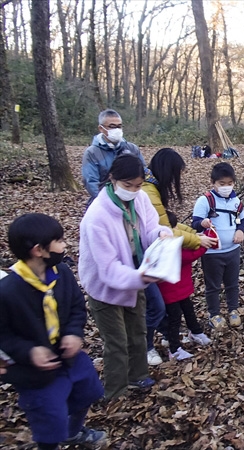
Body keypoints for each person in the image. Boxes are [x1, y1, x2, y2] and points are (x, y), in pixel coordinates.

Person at [0, 214, 106, 450]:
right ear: (39, 250)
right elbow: (3, 335)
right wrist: (29, 352)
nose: (64, 245)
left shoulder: (62, 274)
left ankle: (73, 432)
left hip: (70, 359)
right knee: (49, 419)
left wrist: (73, 333)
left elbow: (77, 306)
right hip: (36, 373)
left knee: (88, 392)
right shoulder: (8, 291)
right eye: (59, 241)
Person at [79, 154, 172, 399]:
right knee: (116, 342)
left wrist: (162, 234)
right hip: (105, 286)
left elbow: (151, 228)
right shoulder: (97, 216)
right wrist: (141, 277)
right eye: (127, 185)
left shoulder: (140, 199)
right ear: (113, 179)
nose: (133, 191)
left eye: (138, 185)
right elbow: (108, 269)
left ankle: (138, 376)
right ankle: (115, 391)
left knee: (137, 331)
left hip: (135, 273)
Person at [141, 148, 217, 366]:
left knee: (180, 308)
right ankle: (166, 346)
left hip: (177, 284)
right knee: (161, 311)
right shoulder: (149, 191)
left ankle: (184, 335)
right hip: (159, 270)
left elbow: (170, 224)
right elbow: (165, 229)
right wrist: (199, 241)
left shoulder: (152, 188)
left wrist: (195, 234)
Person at [192, 163, 244, 330]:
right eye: (222, 184)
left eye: (229, 183)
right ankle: (214, 313)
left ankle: (233, 310)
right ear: (213, 183)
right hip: (212, 253)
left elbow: (241, 221)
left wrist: (240, 231)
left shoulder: (236, 202)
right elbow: (195, 224)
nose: (226, 187)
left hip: (232, 250)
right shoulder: (205, 200)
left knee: (232, 283)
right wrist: (203, 223)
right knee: (213, 285)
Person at [159, 212, 212, 361]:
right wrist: (206, 242)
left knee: (188, 310)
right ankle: (174, 348)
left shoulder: (175, 239)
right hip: (170, 291)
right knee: (174, 318)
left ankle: (195, 331)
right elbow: (188, 256)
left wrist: (202, 234)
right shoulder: (168, 245)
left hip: (180, 288)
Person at [82, 109, 145, 201]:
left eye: (119, 126)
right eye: (112, 126)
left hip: (133, 199)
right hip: (104, 202)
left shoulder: (132, 149)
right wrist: (110, 201)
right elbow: (91, 182)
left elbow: (143, 173)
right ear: (101, 128)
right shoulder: (92, 153)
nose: (116, 129)